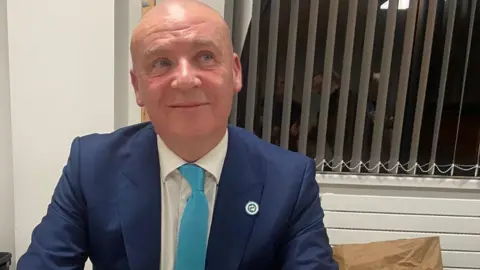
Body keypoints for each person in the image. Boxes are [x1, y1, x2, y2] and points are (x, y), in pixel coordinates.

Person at [17, 1, 338, 269]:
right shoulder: (90, 166)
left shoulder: (290, 180)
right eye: (161, 62)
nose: (185, 79)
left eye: (206, 57)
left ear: (235, 73)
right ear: (137, 86)